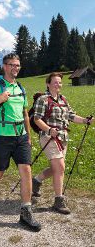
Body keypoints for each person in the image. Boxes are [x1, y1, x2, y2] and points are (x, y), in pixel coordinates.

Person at [0, 53, 41, 232]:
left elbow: (24, 114)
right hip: (1, 136)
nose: (16, 68)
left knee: (26, 171)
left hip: (20, 136)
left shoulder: (21, 88)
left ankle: (25, 212)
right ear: (4, 66)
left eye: (18, 65)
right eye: (12, 65)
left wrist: (28, 136)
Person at [32, 72, 94, 214]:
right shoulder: (43, 99)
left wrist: (86, 120)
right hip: (48, 138)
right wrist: (49, 130)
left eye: (60, 82)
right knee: (60, 167)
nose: (58, 84)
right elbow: (37, 119)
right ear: (48, 84)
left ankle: (36, 181)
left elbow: (71, 116)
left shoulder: (63, 99)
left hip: (63, 138)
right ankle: (58, 201)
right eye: (55, 82)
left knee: (57, 168)